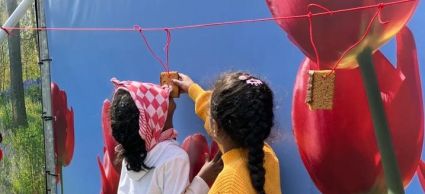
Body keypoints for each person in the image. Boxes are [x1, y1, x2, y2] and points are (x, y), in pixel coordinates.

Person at [173, 72, 282, 194]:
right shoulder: (267, 156)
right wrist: (192, 89)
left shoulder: (227, 186)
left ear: (216, 126)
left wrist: (201, 180)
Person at [109, 78, 222, 194]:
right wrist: (203, 179)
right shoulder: (173, 157)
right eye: (152, 97)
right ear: (152, 120)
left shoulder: (130, 154)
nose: (162, 91)